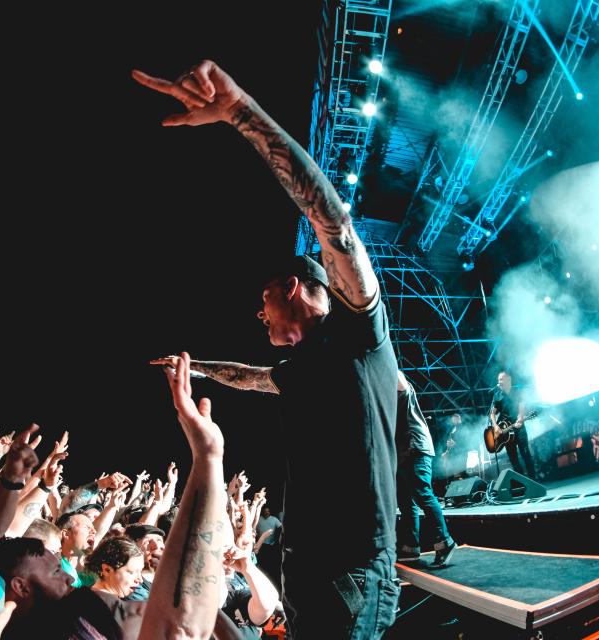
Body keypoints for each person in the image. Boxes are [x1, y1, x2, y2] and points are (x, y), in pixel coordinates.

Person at [137, 60, 400, 637]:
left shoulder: (357, 330)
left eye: (264, 301)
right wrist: (198, 368)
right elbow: (252, 377)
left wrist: (240, 112)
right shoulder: (301, 368)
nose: (259, 315)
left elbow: (333, 222)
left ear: (293, 288)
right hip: (308, 574)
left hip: (353, 575)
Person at [395, 372, 456, 566]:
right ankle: (411, 547)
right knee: (405, 502)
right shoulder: (384, 396)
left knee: (423, 494)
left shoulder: (399, 384)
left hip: (415, 447)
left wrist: (383, 358)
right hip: (401, 452)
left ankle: (445, 542)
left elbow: (398, 377)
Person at [490, 371, 537, 478]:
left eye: (501, 379)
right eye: (498, 380)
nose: (499, 382)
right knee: (513, 458)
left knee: (526, 454)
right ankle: (523, 482)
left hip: (518, 428)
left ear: (508, 379)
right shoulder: (497, 395)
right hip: (505, 431)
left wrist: (520, 417)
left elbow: (521, 406)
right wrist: (495, 426)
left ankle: (534, 480)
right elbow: (492, 413)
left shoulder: (517, 392)